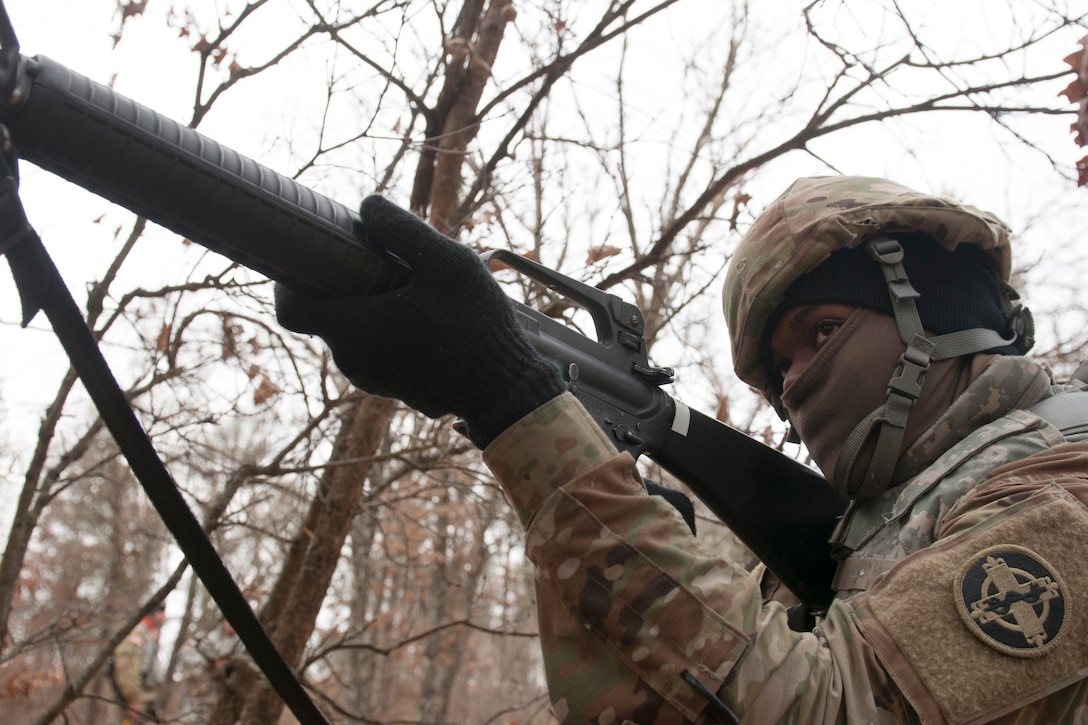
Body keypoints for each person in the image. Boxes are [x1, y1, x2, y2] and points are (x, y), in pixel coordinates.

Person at [275, 177, 1088, 723]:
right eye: (781, 369)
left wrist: (512, 403)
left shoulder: (1063, 486)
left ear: (937, 314)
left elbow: (830, 706)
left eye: (823, 332)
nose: (798, 381)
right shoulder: (853, 542)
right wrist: (610, 561)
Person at [110, 602, 166, 724]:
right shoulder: (137, 632)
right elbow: (126, 666)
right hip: (133, 702)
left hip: (144, 699)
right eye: (160, 611)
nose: (163, 616)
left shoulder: (149, 634)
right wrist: (132, 700)